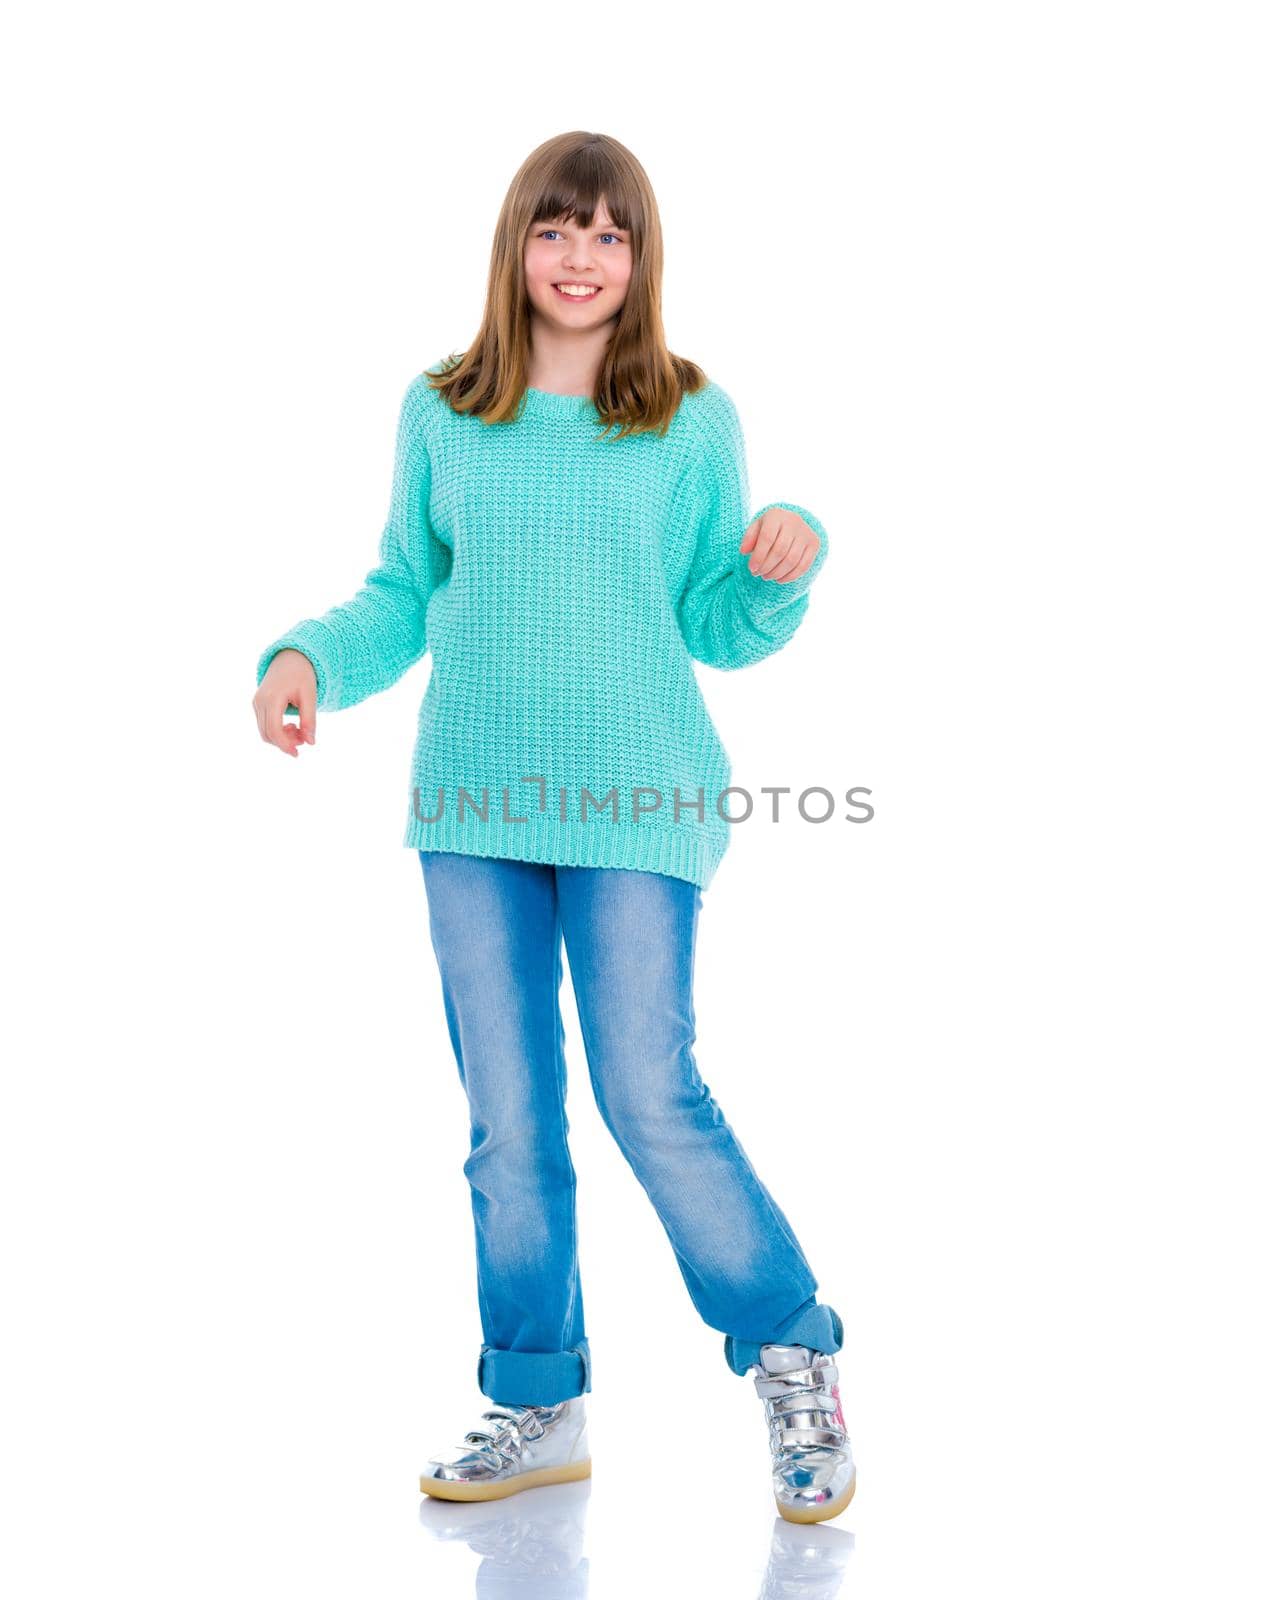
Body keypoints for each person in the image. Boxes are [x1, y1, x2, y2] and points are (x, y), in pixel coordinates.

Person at [251, 130, 854, 1524]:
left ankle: (792, 1352)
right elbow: (404, 587)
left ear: (642, 261)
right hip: (471, 803)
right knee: (506, 1121)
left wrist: (784, 563)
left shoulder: (688, 418)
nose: (582, 256)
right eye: (557, 227)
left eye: (612, 233)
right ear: (515, 242)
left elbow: (715, 616)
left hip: (640, 797)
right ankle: (538, 1397)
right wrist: (306, 659)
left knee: (648, 1092)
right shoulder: (443, 407)